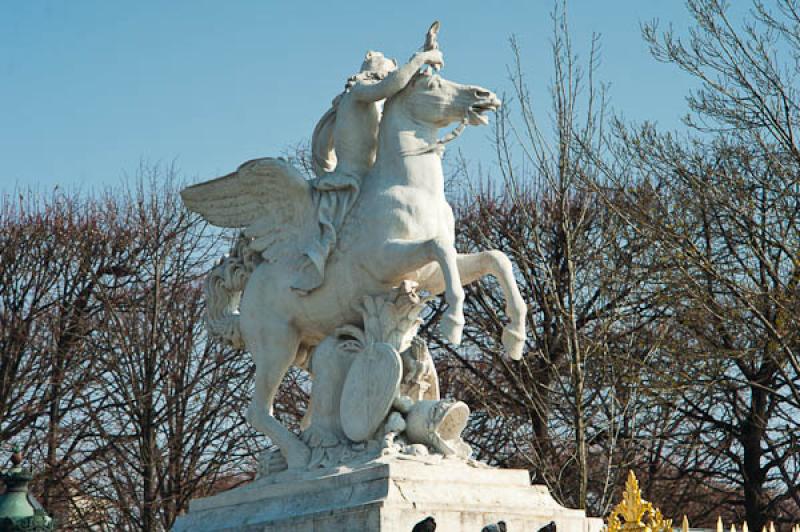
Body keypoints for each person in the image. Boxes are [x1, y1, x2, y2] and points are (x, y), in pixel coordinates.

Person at [293, 47, 444, 293]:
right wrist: (420, 58)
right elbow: (391, 86)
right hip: (353, 179)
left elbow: (404, 91)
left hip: (374, 178)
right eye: (386, 73)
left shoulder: (378, 105)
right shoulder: (359, 92)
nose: (390, 77)